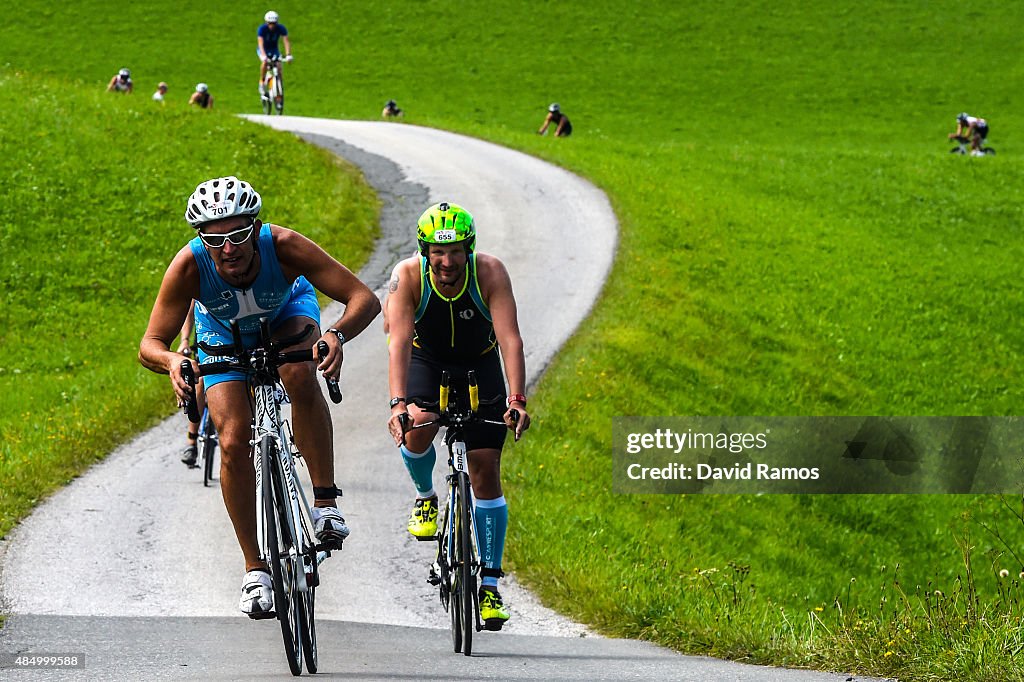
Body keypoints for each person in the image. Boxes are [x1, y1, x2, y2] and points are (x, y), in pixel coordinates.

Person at [139, 176, 380, 617]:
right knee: (232, 439)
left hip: (287, 315)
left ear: (256, 227)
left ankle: (325, 504)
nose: (228, 248)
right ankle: (256, 570)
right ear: (201, 239)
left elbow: (363, 298)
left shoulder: (284, 246)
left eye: (238, 235)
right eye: (215, 239)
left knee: (298, 372)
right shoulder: (190, 266)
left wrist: (336, 335)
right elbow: (151, 342)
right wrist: (173, 361)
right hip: (223, 334)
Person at [386, 202, 531, 631]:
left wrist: (517, 399)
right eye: (437, 252)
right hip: (427, 360)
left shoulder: (489, 272)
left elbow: (510, 340)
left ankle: (489, 585)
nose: (446, 261)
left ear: (469, 250)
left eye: (455, 252)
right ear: (424, 250)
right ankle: (426, 498)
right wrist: (398, 405)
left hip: (480, 363)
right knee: (417, 428)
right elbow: (397, 343)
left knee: (485, 470)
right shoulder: (408, 276)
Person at [176, 300, 207, 467]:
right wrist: (185, 340)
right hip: (207, 341)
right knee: (200, 381)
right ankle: (191, 441)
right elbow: (189, 308)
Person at [257, 10, 292, 98]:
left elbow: (286, 41)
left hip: (274, 49)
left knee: (279, 65)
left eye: (274, 23)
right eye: (270, 23)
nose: (272, 26)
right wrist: (263, 56)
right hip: (263, 49)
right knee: (265, 63)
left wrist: (288, 54)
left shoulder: (281, 28)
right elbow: (260, 43)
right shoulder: (262, 29)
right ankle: (262, 81)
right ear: (267, 22)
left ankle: (279, 85)